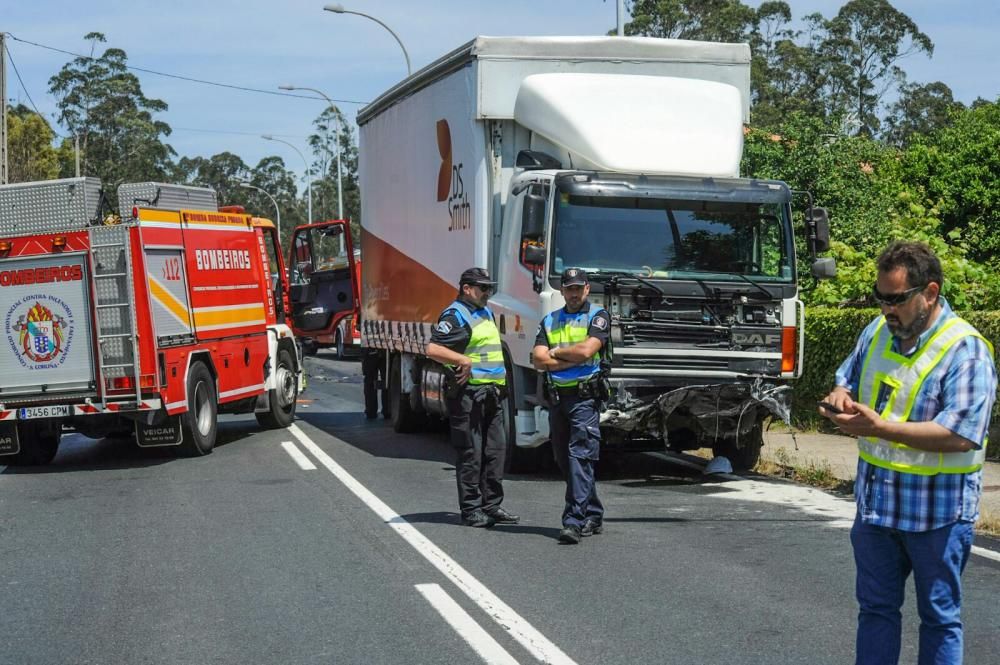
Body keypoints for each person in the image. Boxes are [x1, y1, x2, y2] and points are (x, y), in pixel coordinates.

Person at [819, 241, 997, 665]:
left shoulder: (965, 350)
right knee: (876, 611)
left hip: (938, 515)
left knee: (938, 618)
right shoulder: (877, 331)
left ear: (930, 293)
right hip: (878, 510)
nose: (886, 309)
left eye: (896, 299)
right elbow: (846, 377)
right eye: (880, 298)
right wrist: (839, 399)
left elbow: (961, 435)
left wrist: (881, 428)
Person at [425, 267, 519, 528]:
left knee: (496, 452)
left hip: (493, 395)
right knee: (471, 454)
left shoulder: (484, 311)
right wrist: (461, 359)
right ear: (467, 288)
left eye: (489, 288)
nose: (487, 292)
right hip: (469, 396)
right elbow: (433, 348)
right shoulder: (456, 315)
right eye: (483, 288)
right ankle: (471, 510)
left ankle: (492, 506)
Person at [532, 268, 611, 544]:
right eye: (569, 288)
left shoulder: (598, 316)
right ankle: (593, 512)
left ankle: (573, 521)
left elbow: (587, 351)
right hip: (557, 399)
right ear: (562, 291)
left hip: (584, 399)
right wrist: (566, 357)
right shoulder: (550, 320)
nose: (574, 293)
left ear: (587, 289)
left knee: (580, 457)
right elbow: (538, 360)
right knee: (563, 460)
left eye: (579, 288)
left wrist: (554, 353)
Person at [362, 347, 388, 420]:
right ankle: (387, 409)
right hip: (385, 349)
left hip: (370, 348)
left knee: (370, 381)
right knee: (387, 380)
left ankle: (371, 411)